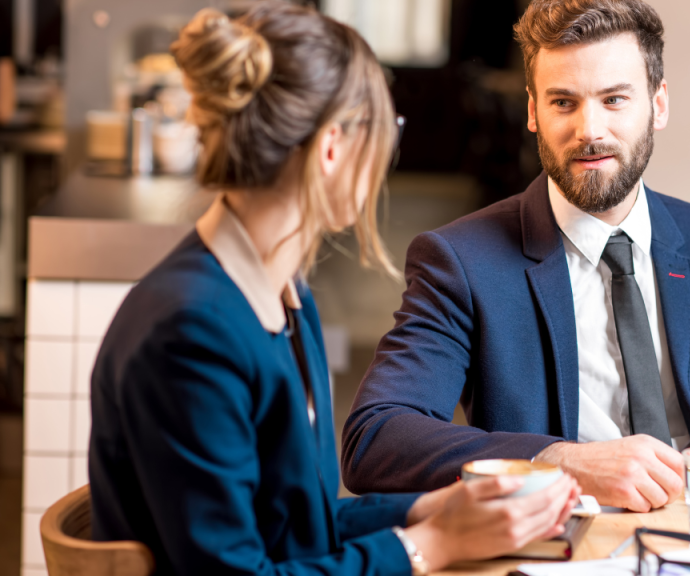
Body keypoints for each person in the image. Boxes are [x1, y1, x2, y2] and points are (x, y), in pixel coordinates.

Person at [88, 3, 580, 575]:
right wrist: (432, 545)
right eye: (384, 132)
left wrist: (433, 507)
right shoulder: (191, 332)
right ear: (330, 148)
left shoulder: (282, 296)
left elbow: (298, 527)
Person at [343, 0, 690, 513]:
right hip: (561, 547)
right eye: (563, 102)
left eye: (614, 99)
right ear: (533, 111)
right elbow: (375, 439)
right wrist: (560, 461)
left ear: (658, 104)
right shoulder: (461, 262)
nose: (590, 130)